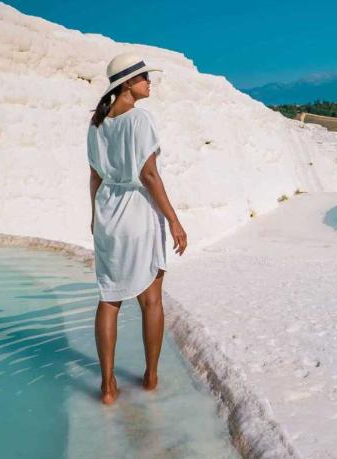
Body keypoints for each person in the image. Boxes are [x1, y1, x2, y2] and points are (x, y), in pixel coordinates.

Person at [88, 54, 187, 405]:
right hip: (137, 212)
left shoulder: (97, 124)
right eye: (144, 77)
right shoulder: (140, 119)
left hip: (107, 212)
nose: (149, 82)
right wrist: (174, 220)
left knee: (109, 298)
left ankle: (108, 386)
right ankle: (151, 378)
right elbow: (148, 175)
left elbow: (95, 176)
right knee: (151, 298)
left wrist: (94, 217)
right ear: (127, 83)